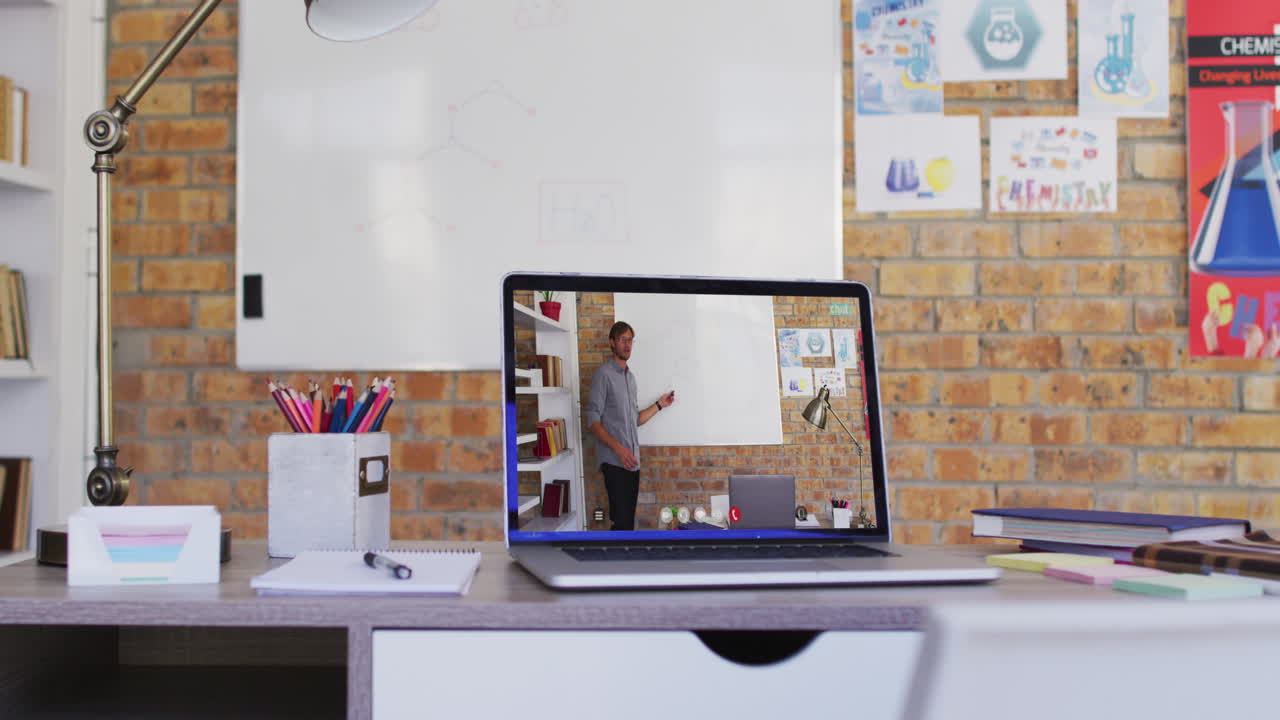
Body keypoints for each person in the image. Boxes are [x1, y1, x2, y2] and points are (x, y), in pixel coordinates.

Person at [585, 321, 675, 530]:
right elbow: (592, 420)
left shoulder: (631, 379)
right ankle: (615, 561)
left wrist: (660, 405)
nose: (627, 345)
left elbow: (635, 420)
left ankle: (621, 560)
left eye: (630, 340)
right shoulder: (603, 374)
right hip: (615, 461)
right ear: (612, 342)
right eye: (623, 340)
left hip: (632, 462)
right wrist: (619, 449)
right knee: (622, 522)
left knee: (627, 523)